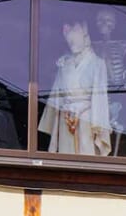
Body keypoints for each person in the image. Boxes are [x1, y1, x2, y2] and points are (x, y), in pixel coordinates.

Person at [38, 20, 110, 155]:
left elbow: (100, 98)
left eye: (74, 41)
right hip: (66, 114)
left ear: (85, 36)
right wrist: (55, 116)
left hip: (86, 117)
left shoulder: (98, 63)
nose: (71, 45)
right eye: (69, 42)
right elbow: (56, 94)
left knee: (86, 153)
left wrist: (97, 125)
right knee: (65, 153)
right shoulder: (65, 63)